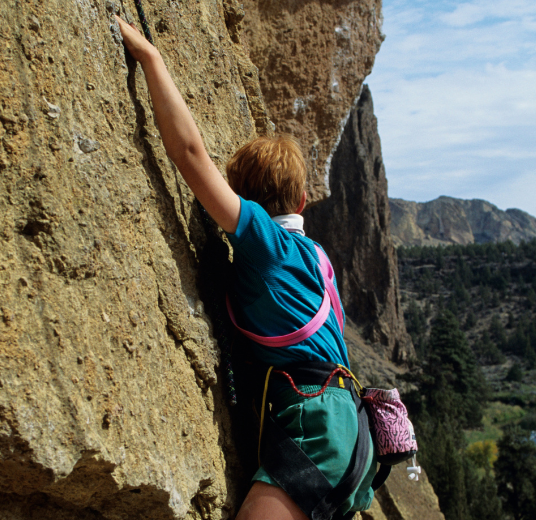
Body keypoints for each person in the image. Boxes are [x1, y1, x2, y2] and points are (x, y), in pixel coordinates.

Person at [115, 16, 377, 520]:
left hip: (314, 429)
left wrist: (152, 58)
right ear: (303, 199)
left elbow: (190, 156)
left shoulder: (268, 244)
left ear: (245, 204)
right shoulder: (317, 259)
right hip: (349, 430)